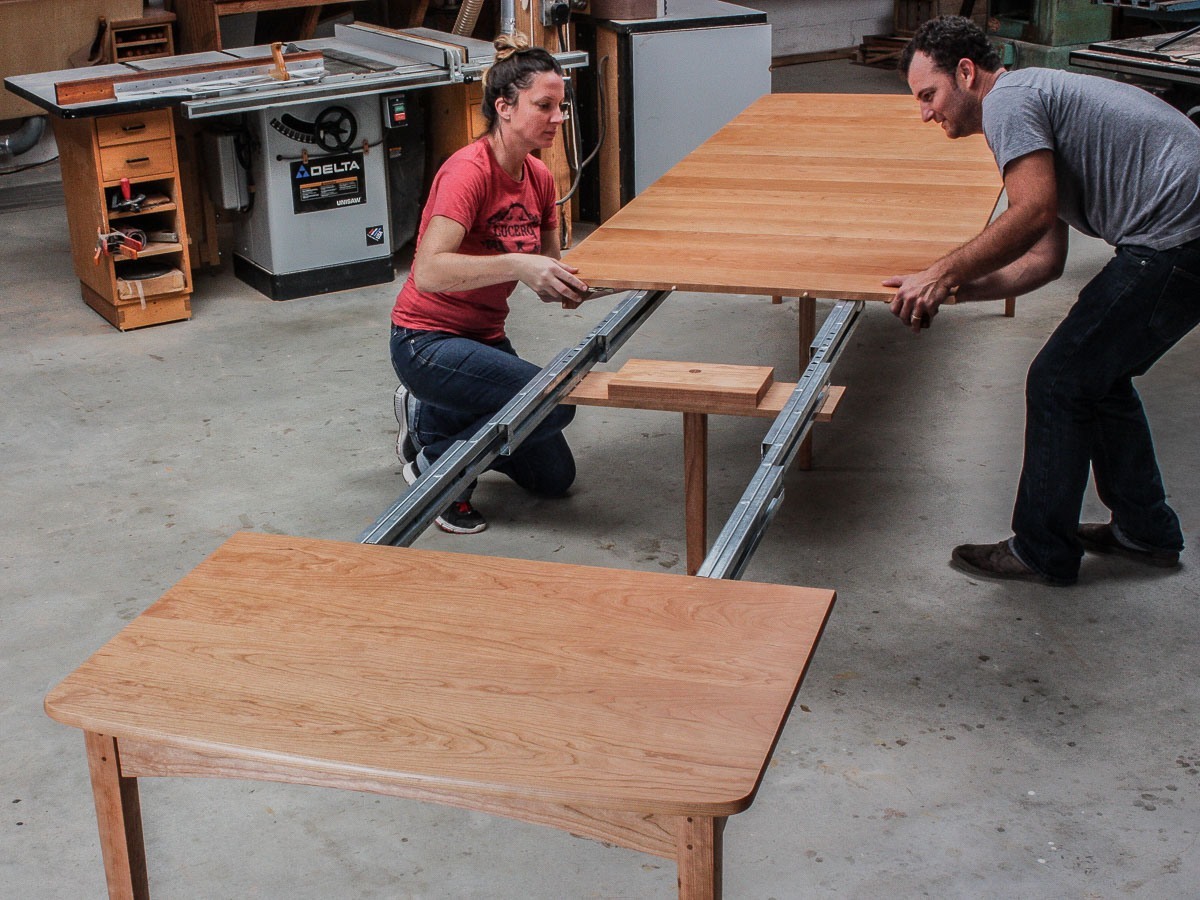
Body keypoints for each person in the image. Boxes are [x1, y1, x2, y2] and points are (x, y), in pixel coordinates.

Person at [888, 16, 1200, 586]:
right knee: (1096, 378)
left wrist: (941, 270)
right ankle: (1145, 531)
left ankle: (1040, 549)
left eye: (928, 95)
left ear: (966, 72)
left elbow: (1030, 213)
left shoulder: (1008, 101)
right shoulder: (1028, 103)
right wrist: (957, 289)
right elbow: (1043, 258)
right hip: (1181, 235)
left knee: (1058, 379)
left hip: (1179, 237)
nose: (925, 113)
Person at [389, 32, 591, 534]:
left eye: (560, 107)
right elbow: (430, 271)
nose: (558, 118)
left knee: (554, 479)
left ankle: (441, 415)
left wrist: (565, 285)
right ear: (504, 106)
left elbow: (547, 268)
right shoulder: (467, 173)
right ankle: (437, 463)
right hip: (426, 340)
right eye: (544, 106)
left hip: (486, 338)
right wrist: (518, 267)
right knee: (553, 404)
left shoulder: (541, 179)